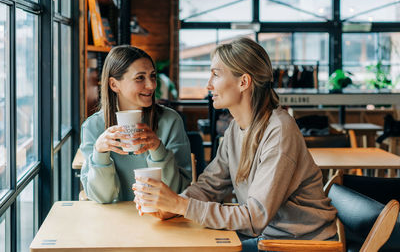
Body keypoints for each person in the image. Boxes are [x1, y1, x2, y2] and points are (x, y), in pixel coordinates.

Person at [132, 38, 337, 252]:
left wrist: (180, 205)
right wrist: (172, 207)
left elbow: (254, 217)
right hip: (266, 237)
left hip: (300, 245)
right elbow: (210, 186)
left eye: (216, 74)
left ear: (243, 82)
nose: (208, 85)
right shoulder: (235, 129)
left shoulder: (279, 130)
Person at [80, 45, 192, 203]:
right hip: (113, 222)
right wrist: (100, 154)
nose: (151, 85)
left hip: (162, 220)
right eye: (140, 78)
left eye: (153, 76)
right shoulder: (93, 127)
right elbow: (103, 198)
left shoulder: (170, 121)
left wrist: (158, 150)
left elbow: (177, 192)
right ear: (114, 84)